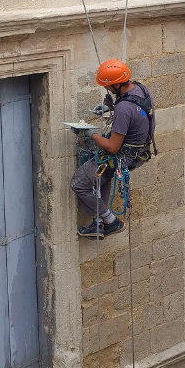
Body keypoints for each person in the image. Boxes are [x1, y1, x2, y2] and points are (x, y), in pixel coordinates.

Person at [70, 59, 156, 239]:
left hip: (120, 158)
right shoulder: (140, 89)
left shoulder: (124, 109)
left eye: (108, 87)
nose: (107, 90)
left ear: (117, 84)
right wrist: (111, 107)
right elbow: (133, 111)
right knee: (102, 178)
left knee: (78, 183)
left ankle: (111, 221)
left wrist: (89, 134)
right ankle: (100, 222)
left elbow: (113, 146)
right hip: (138, 154)